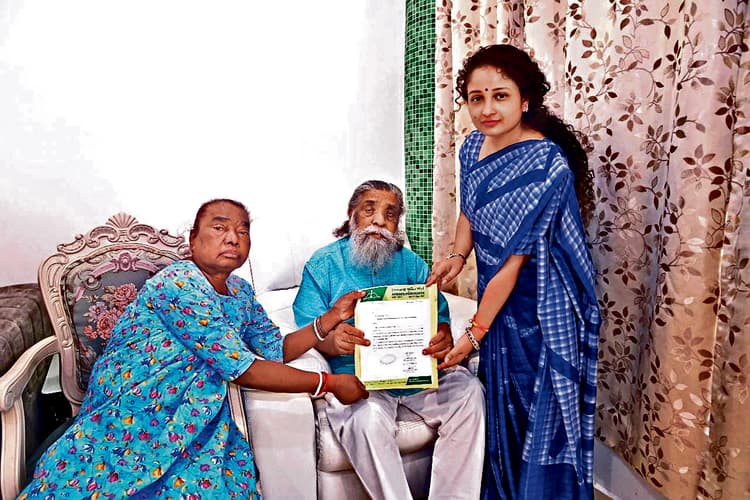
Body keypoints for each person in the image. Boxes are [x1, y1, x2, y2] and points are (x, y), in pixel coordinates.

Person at [20, 199, 369, 499]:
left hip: (196, 414)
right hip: (135, 405)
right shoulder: (179, 283)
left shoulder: (241, 292)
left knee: (218, 484)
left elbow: (275, 350)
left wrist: (330, 318)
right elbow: (245, 369)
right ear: (193, 239)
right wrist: (329, 383)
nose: (233, 237)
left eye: (243, 231)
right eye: (219, 228)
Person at [427, 45, 600, 499]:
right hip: (497, 295)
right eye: (476, 98)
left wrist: (474, 334)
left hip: (542, 305)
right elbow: (470, 208)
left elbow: (513, 262)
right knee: (502, 408)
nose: (487, 109)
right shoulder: (471, 147)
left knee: (539, 410)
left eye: (500, 96)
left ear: (525, 100)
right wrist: (457, 256)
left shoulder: (545, 164)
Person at [293, 180, 485, 500]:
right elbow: (308, 329)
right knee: (366, 420)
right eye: (369, 209)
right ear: (352, 214)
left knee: (469, 392)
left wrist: (442, 335)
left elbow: (438, 316)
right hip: (358, 379)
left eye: (391, 214)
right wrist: (332, 342)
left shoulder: (411, 263)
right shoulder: (323, 264)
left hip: (416, 375)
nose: (380, 220)